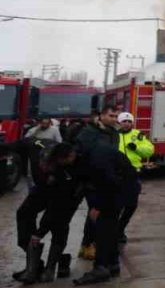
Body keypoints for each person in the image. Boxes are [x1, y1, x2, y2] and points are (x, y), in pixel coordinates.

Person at [73, 105, 132, 285]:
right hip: (96, 182)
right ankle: (105, 260)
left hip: (110, 183)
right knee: (102, 223)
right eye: (111, 116)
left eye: (116, 116)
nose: (115, 119)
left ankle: (105, 265)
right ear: (101, 116)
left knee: (106, 224)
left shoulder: (114, 134)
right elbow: (83, 157)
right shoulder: (88, 133)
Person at [5, 139, 78, 283]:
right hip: (41, 190)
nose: (44, 168)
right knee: (24, 214)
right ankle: (34, 265)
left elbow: (57, 207)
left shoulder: (68, 171)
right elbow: (15, 145)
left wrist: (40, 232)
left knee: (59, 224)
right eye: (42, 166)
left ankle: (51, 268)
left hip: (64, 195)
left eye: (48, 167)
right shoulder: (37, 148)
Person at [115, 112, 154, 244]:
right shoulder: (114, 135)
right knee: (117, 205)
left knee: (131, 205)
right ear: (119, 123)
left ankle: (120, 228)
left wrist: (136, 148)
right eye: (124, 121)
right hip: (117, 173)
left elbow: (149, 150)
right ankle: (115, 231)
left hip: (133, 173)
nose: (126, 124)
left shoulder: (138, 135)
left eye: (129, 121)